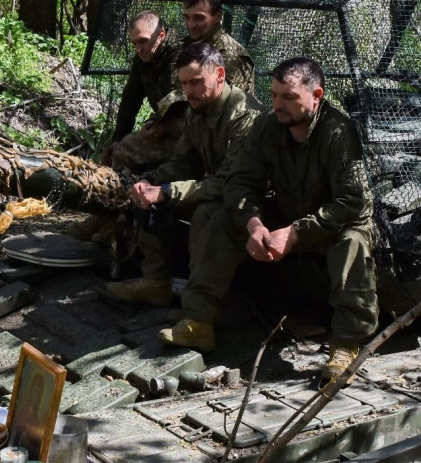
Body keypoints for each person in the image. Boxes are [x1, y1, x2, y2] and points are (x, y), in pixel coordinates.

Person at [159, 57, 378, 385]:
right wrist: (255, 225)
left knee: (353, 242)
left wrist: (294, 233)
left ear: (316, 95)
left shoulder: (339, 131)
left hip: (335, 224)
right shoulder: (267, 125)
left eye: (288, 97)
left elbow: (351, 203)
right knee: (220, 218)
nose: (278, 105)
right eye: (274, 95)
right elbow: (240, 182)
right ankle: (199, 320)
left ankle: (346, 344)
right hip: (288, 216)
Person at [101, 44, 264, 331]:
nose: (189, 91)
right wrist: (150, 181)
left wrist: (166, 190)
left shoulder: (243, 115)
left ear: (220, 75)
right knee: (148, 193)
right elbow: (183, 163)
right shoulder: (195, 112)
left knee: (205, 211)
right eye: (185, 83)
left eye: (197, 82)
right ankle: (156, 281)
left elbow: (230, 182)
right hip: (219, 186)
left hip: (252, 199)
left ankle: (200, 312)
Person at [68, 10, 180, 240]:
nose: (139, 48)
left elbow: (181, 100)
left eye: (143, 41)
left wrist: (160, 124)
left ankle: (109, 220)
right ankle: (111, 218)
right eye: (134, 43)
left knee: (126, 152)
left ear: (161, 35)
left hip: (184, 129)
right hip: (163, 125)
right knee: (119, 149)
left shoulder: (178, 56)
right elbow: (130, 101)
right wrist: (117, 138)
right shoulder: (143, 59)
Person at [180, 0, 255, 94]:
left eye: (199, 18)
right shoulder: (185, 45)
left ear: (218, 16)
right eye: (186, 17)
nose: (190, 25)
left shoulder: (231, 55)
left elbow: (225, 103)